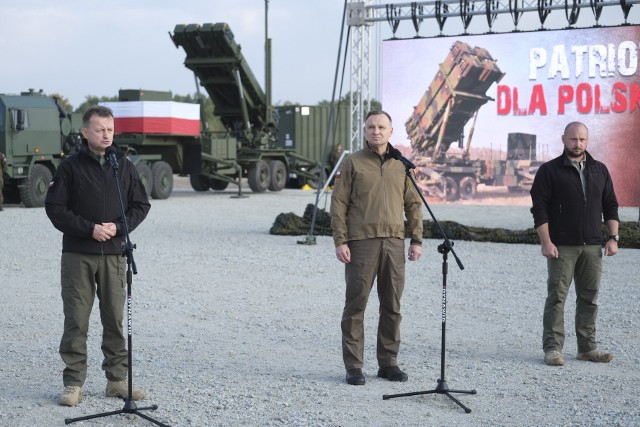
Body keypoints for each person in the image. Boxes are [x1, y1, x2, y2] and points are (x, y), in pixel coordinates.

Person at [45, 105, 151, 406]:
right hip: (79, 254)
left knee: (114, 319)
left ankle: (117, 381)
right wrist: (89, 229)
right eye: (100, 130)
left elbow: (140, 206)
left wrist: (118, 228)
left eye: (110, 130)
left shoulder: (124, 165)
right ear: (85, 132)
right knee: (77, 320)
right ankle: (73, 383)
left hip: (114, 255)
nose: (107, 135)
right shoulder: (70, 167)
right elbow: (55, 209)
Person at [330, 110, 424, 385]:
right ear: (365, 130)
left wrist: (416, 239)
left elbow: (414, 205)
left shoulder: (400, 164)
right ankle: (354, 367)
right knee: (356, 305)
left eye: (382, 127)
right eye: (371, 127)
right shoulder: (353, 162)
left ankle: (388, 363)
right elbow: (338, 204)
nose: (376, 131)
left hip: (394, 243)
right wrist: (340, 241)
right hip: (361, 243)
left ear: (391, 131)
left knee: (392, 306)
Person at [530, 121, 619, 367]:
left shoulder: (600, 170)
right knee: (557, 297)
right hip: (562, 246)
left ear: (587, 141)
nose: (577, 144)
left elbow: (610, 204)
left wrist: (613, 237)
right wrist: (546, 242)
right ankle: (553, 349)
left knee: (589, 298)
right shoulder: (549, 171)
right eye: (573, 139)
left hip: (592, 245)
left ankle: (587, 348)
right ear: (563, 139)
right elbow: (539, 209)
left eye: (582, 139)